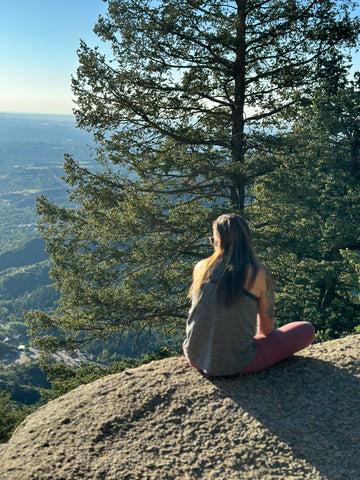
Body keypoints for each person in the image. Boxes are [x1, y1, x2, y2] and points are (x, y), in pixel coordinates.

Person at [183, 213, 315, 376]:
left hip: (194, 356)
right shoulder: (259, 272)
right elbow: (266, 330)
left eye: (213, 240)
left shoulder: (200, 267)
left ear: (219, 243)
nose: (212, 244)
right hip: (237, 364)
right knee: (306, 329)